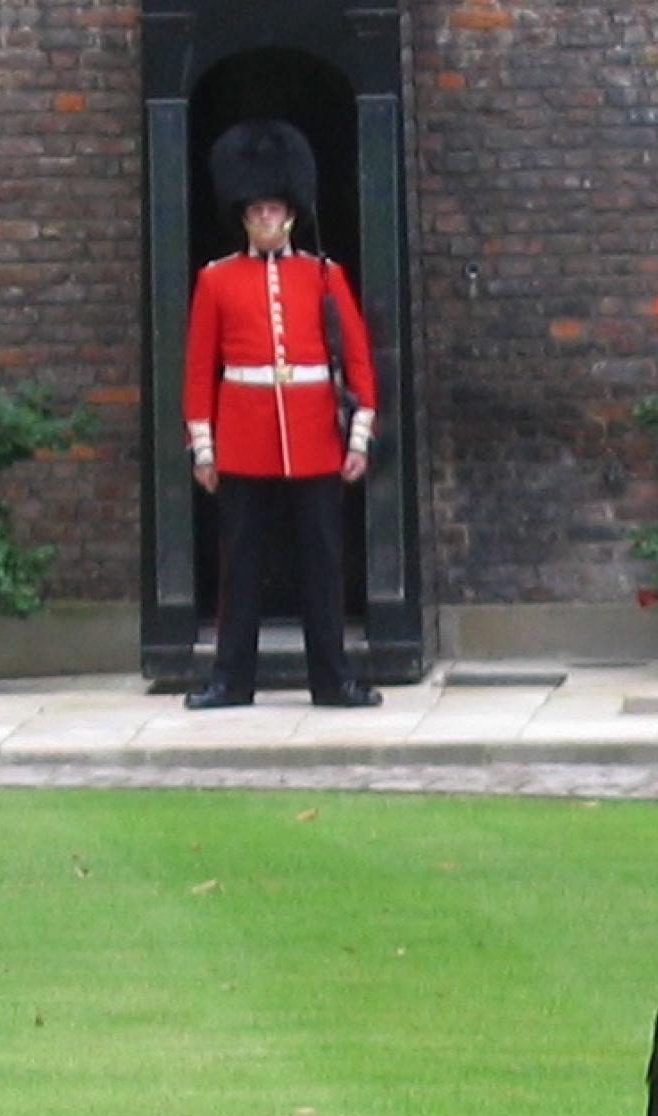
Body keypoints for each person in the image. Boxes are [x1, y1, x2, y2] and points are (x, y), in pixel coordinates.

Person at [182, 119, 381, 710]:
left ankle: (333, 678)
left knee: (322, 563)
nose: (266, 218)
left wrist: (360, 437)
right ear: (244, 215)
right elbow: (199, 370)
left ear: (290, 213)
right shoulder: (216, 280)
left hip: (315, 435)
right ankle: (231, 679)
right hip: (244, 439)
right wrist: (204, 446)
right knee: (239, 564)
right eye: (257, 210)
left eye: (274, 209)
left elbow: (358, 360)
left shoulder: (324, 276)